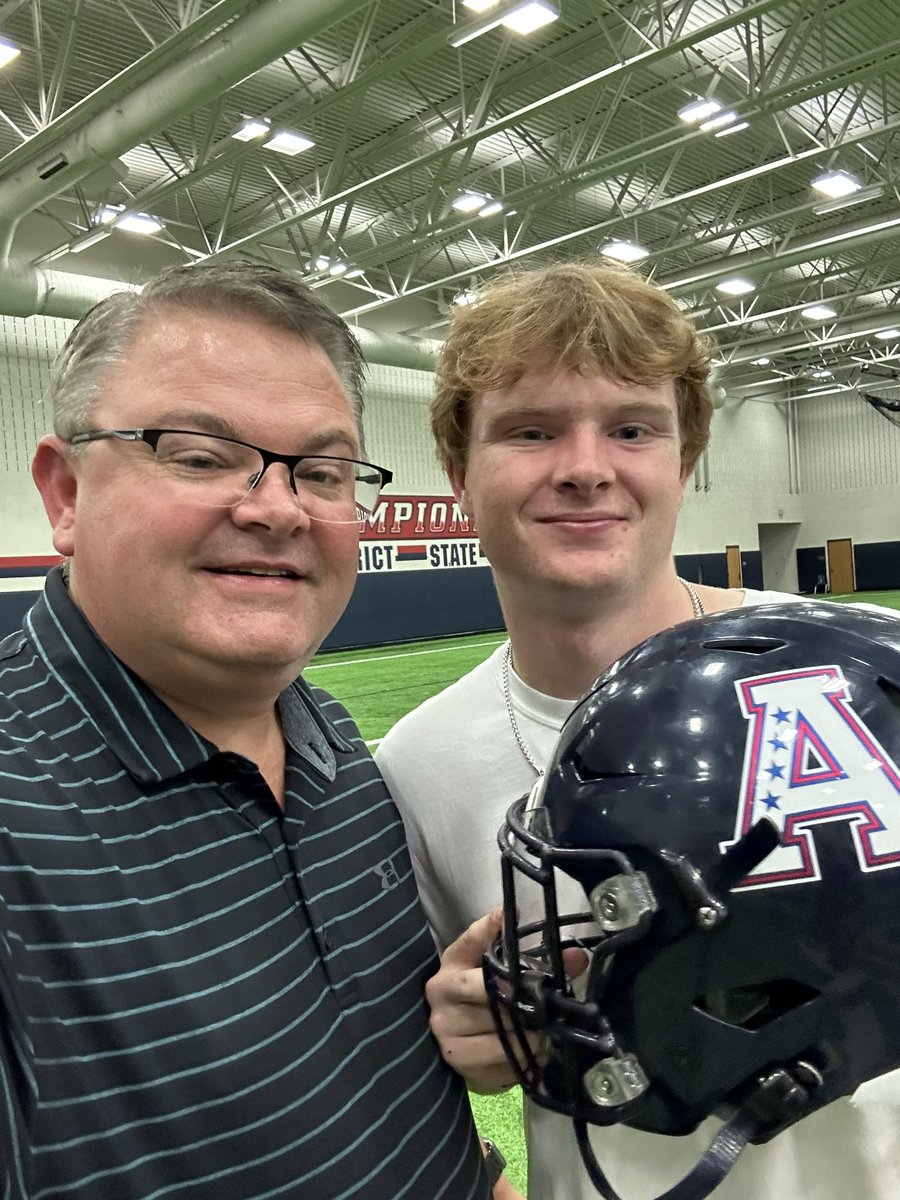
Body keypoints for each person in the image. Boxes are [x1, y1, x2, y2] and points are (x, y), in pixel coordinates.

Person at [375, 261, 900, 1200]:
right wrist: (464, 1034)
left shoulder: (860, 674)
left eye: (631, 427)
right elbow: (428, 1069)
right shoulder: (416, 764)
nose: (584, 467)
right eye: (531, 431)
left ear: (683, 462)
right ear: (459, 473)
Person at [0, 261, 515, 1199]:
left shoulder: (331, 739)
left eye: (321, 472)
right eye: (198, 455)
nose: (276, 508)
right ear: (65, 493)